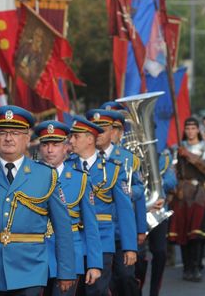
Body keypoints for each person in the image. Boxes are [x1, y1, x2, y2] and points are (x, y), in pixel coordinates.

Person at [0, 105, 76, 295]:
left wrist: (66, 271)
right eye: (3, 132)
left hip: (30, 269)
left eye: (16, 133)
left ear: (27, 138)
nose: (8, 138)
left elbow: (62, 227)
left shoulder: (45, 175)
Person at [67, 115, 139, 296]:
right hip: (72, 238)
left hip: (102, 238)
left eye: (76, 136)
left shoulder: (112, 169)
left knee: (97, 289)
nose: (71, 140)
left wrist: (130, 246)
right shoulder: (67, 167)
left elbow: (124, 210)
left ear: (90, 139)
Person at [35, 120, 102, 296]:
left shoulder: (80, 179)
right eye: (45, 145)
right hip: (35, 254)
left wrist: (94, 264)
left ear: (66, 147)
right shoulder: (28, 177)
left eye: (55, 144)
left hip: (70, 255)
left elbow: (91, 225)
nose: (49, 150)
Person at [85, 109, 147, 296]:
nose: (98, 134)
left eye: (102, 129)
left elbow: (139, 189)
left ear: (113, 131)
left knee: (126, 276)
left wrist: (140, 229)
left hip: (120, 230)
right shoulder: (84, 158)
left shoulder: (128, 158)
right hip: (97, 230)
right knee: (103, 282)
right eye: (93, 130)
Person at [168, 117, 205, 283]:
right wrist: (175, 190)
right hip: (182, 192)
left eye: (193, 128)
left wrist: (188, 155)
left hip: (199, 192)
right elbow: (172, 171)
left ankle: (196, 267)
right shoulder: (176, 148)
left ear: (198, 130)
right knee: (183, 231)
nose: (190, 131)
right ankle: (186, 267)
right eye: (187, 128)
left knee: (196, 232)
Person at [138, 147, 177, 296]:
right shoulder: (131, 156)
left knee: (160, 252)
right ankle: (138, 289)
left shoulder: (164, 159)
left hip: (158, 213)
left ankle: (154, 291)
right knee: (139, 257)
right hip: (138, 213)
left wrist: (155, 179)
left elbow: (172, 181)